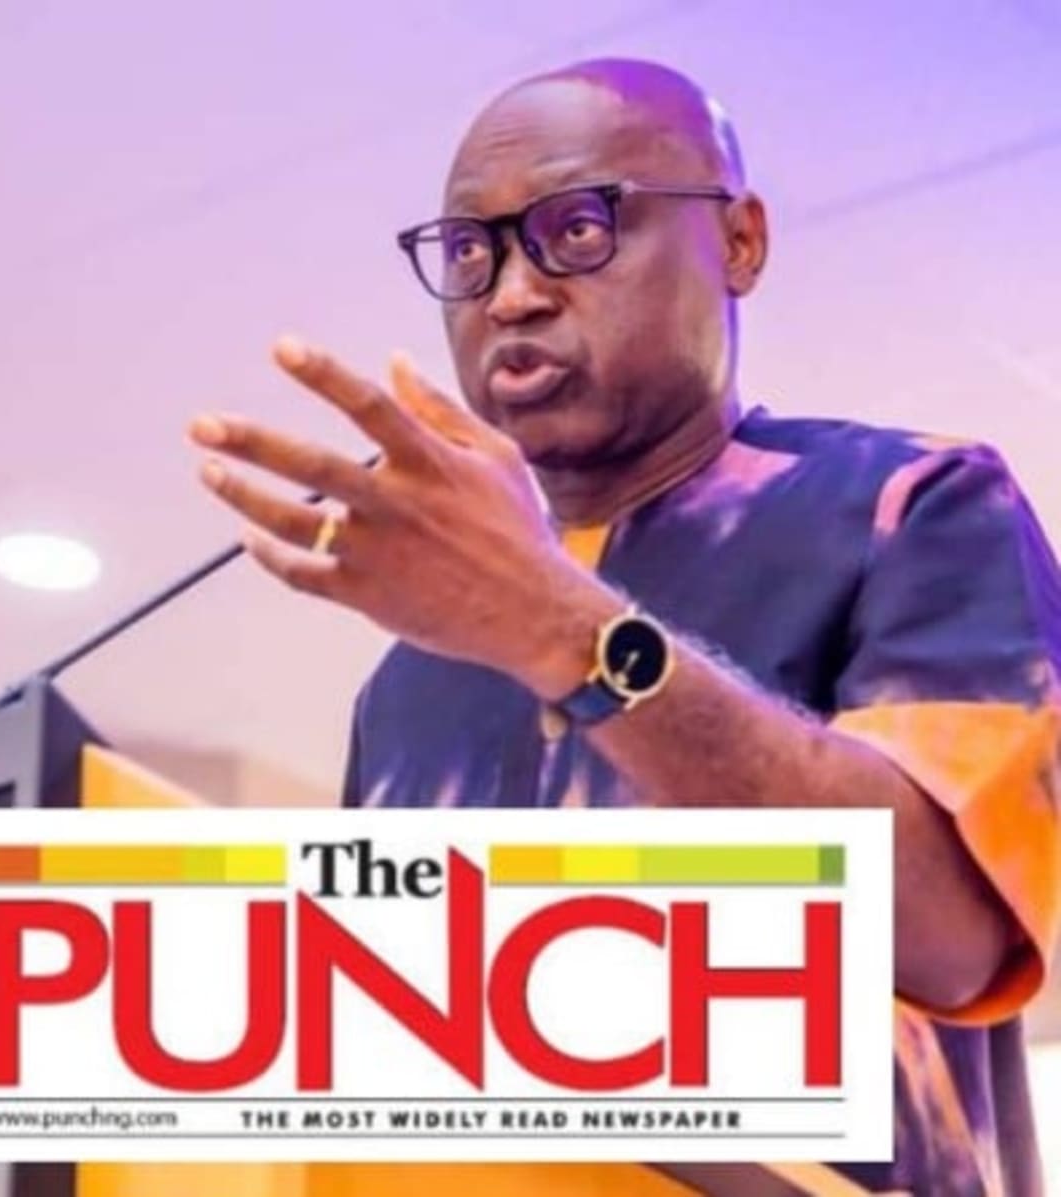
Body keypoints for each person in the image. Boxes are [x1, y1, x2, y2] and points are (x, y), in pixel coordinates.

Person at [189, 58, 1060, 1197]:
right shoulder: (408, 679)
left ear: (739, 242)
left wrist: (566, 633)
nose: (510, 294)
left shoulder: (910, 506)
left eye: (578, 227)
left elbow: (953, 938)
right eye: (471, 252)